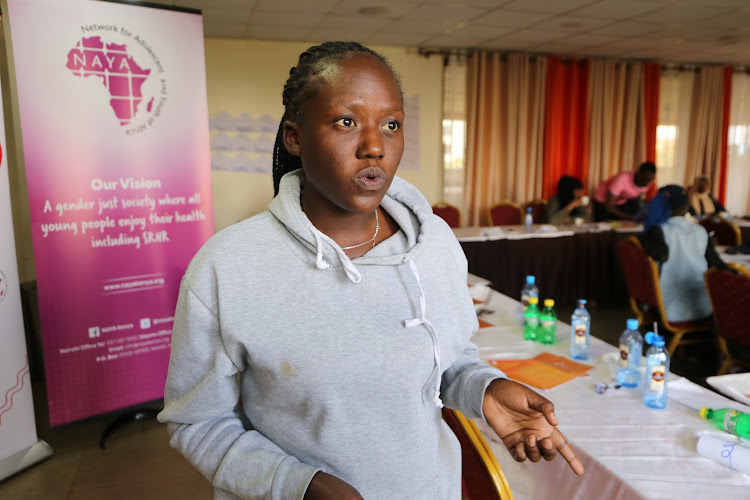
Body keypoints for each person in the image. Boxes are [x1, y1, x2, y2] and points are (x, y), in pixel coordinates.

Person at [157, 42, 584, 499]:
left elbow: (446, 355)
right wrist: (297, 485)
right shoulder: (227, 267)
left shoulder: (434, 242)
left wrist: (484, 388)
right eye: (346, 121)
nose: (374, 147)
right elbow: (197, 421)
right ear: (294, 137)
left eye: (391, 125)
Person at [639, 185, 725, 322]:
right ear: (686, 207)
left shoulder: (657, 231)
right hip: (702, 306)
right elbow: (717, 265)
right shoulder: (700, 231)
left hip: (664, 304)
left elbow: (659, 257)